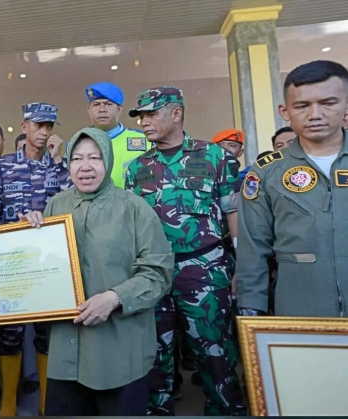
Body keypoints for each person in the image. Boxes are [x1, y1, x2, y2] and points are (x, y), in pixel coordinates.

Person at [20, 127, 173, 416]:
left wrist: (115, 297)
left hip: (118, 350)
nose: (85, 167)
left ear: (109, 161)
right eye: (77, 159)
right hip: (66, 353)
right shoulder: (56, 205)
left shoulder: (134, 209)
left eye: (95, 158)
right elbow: (43, 267)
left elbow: (158, 273)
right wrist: (27, 235)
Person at [125, 86, 247, 416]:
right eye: (141, 117)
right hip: (153, 274)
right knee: (154, 358)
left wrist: (241, 268)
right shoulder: (136, 168)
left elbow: (233, 213)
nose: (144, 123)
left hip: (206, 272)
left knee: (216, 356)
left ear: (176, 113)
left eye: (152, 114)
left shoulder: (215, 156)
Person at [237, 60, 348, 317]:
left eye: (328, 103)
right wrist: (251, 308)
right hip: (301, 311)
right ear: (284, 111)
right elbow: (253, 249)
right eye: (302, 106)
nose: (315, 114)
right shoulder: (265, 172)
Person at [0, 102, 71, 416]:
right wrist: (9, 233)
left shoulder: (60, 168)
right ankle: (7, 401)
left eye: (49, 126)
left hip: (49, 265)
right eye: (39, 125)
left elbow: (73, 208)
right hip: (12, 265)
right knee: (9, 333)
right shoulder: (3, 167)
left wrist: (60, 163)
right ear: (25, 126)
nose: (45, 132)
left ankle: (47, 403)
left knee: (47, 334)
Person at [84, 82, 150, 188]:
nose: (102, 110)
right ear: (89, 110)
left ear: (119, 109)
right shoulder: (78, 143)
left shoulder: (145, 140)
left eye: (108, 104)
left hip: (133, 203)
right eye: (96, 105)